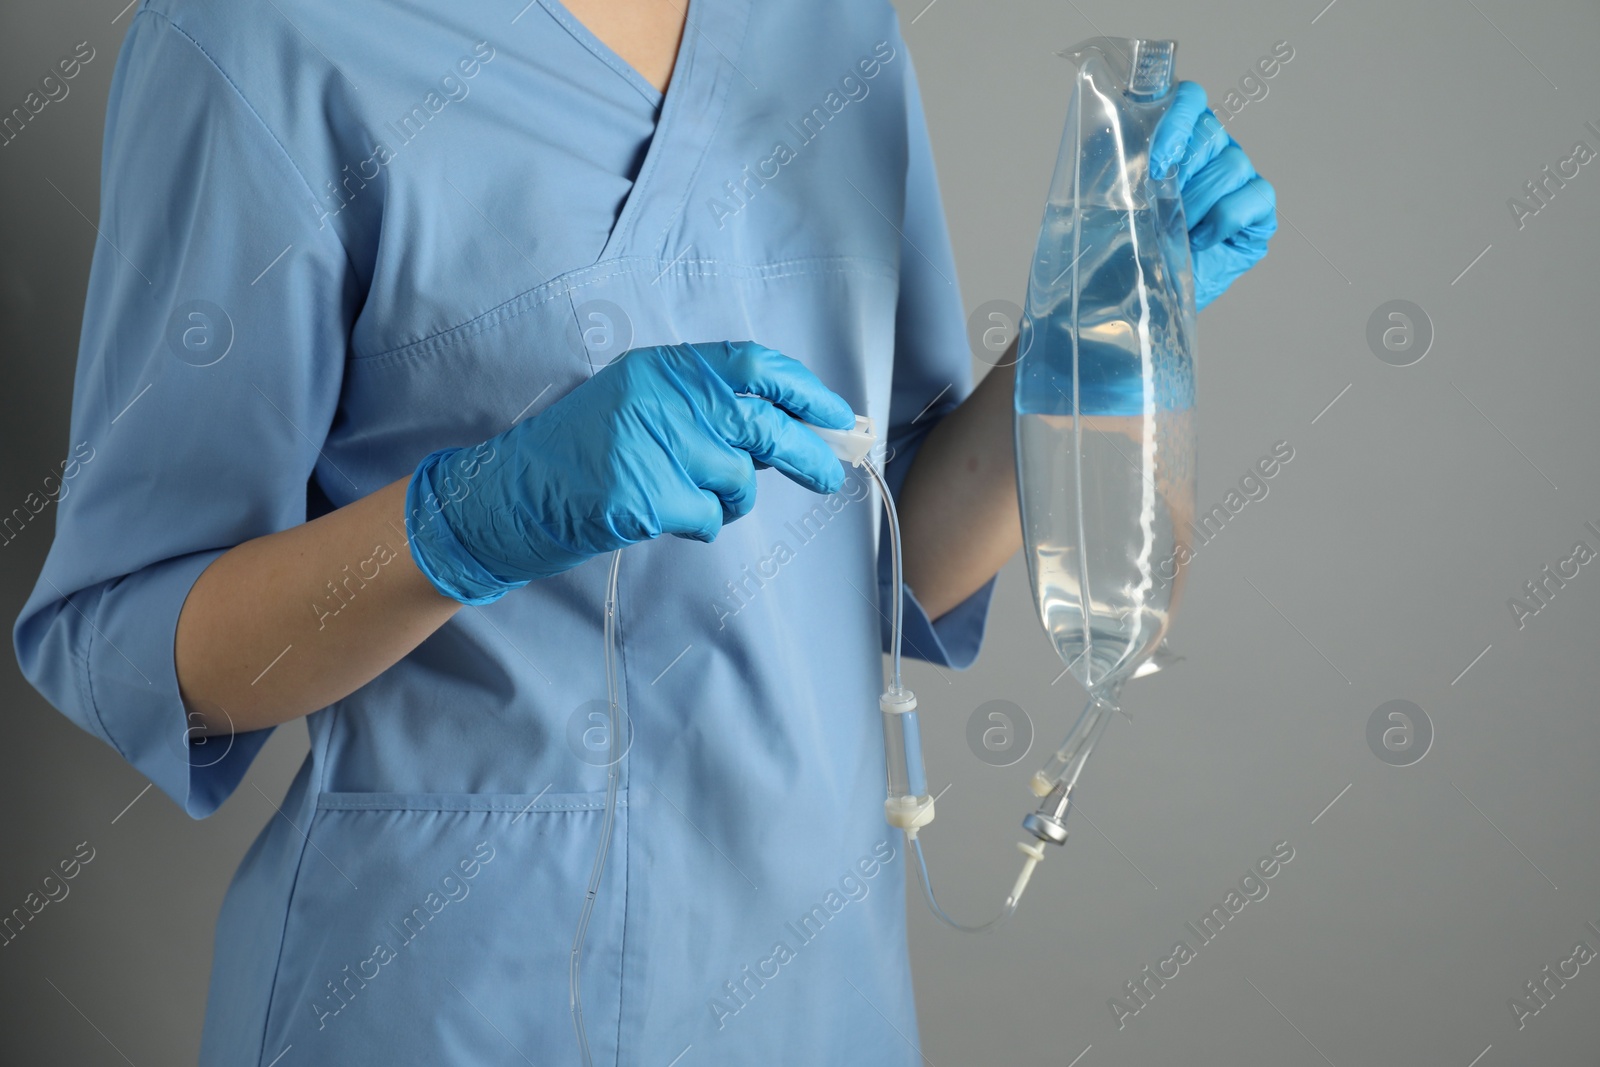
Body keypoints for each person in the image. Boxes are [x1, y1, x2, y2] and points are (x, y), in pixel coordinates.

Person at [12, 0, 1275, 1063]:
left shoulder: (827, 27)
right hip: (452, 995)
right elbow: (133, 640)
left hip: (814, 992)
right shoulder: (268, 34)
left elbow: (884, 561)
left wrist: (1079, 344)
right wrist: (469, 521)